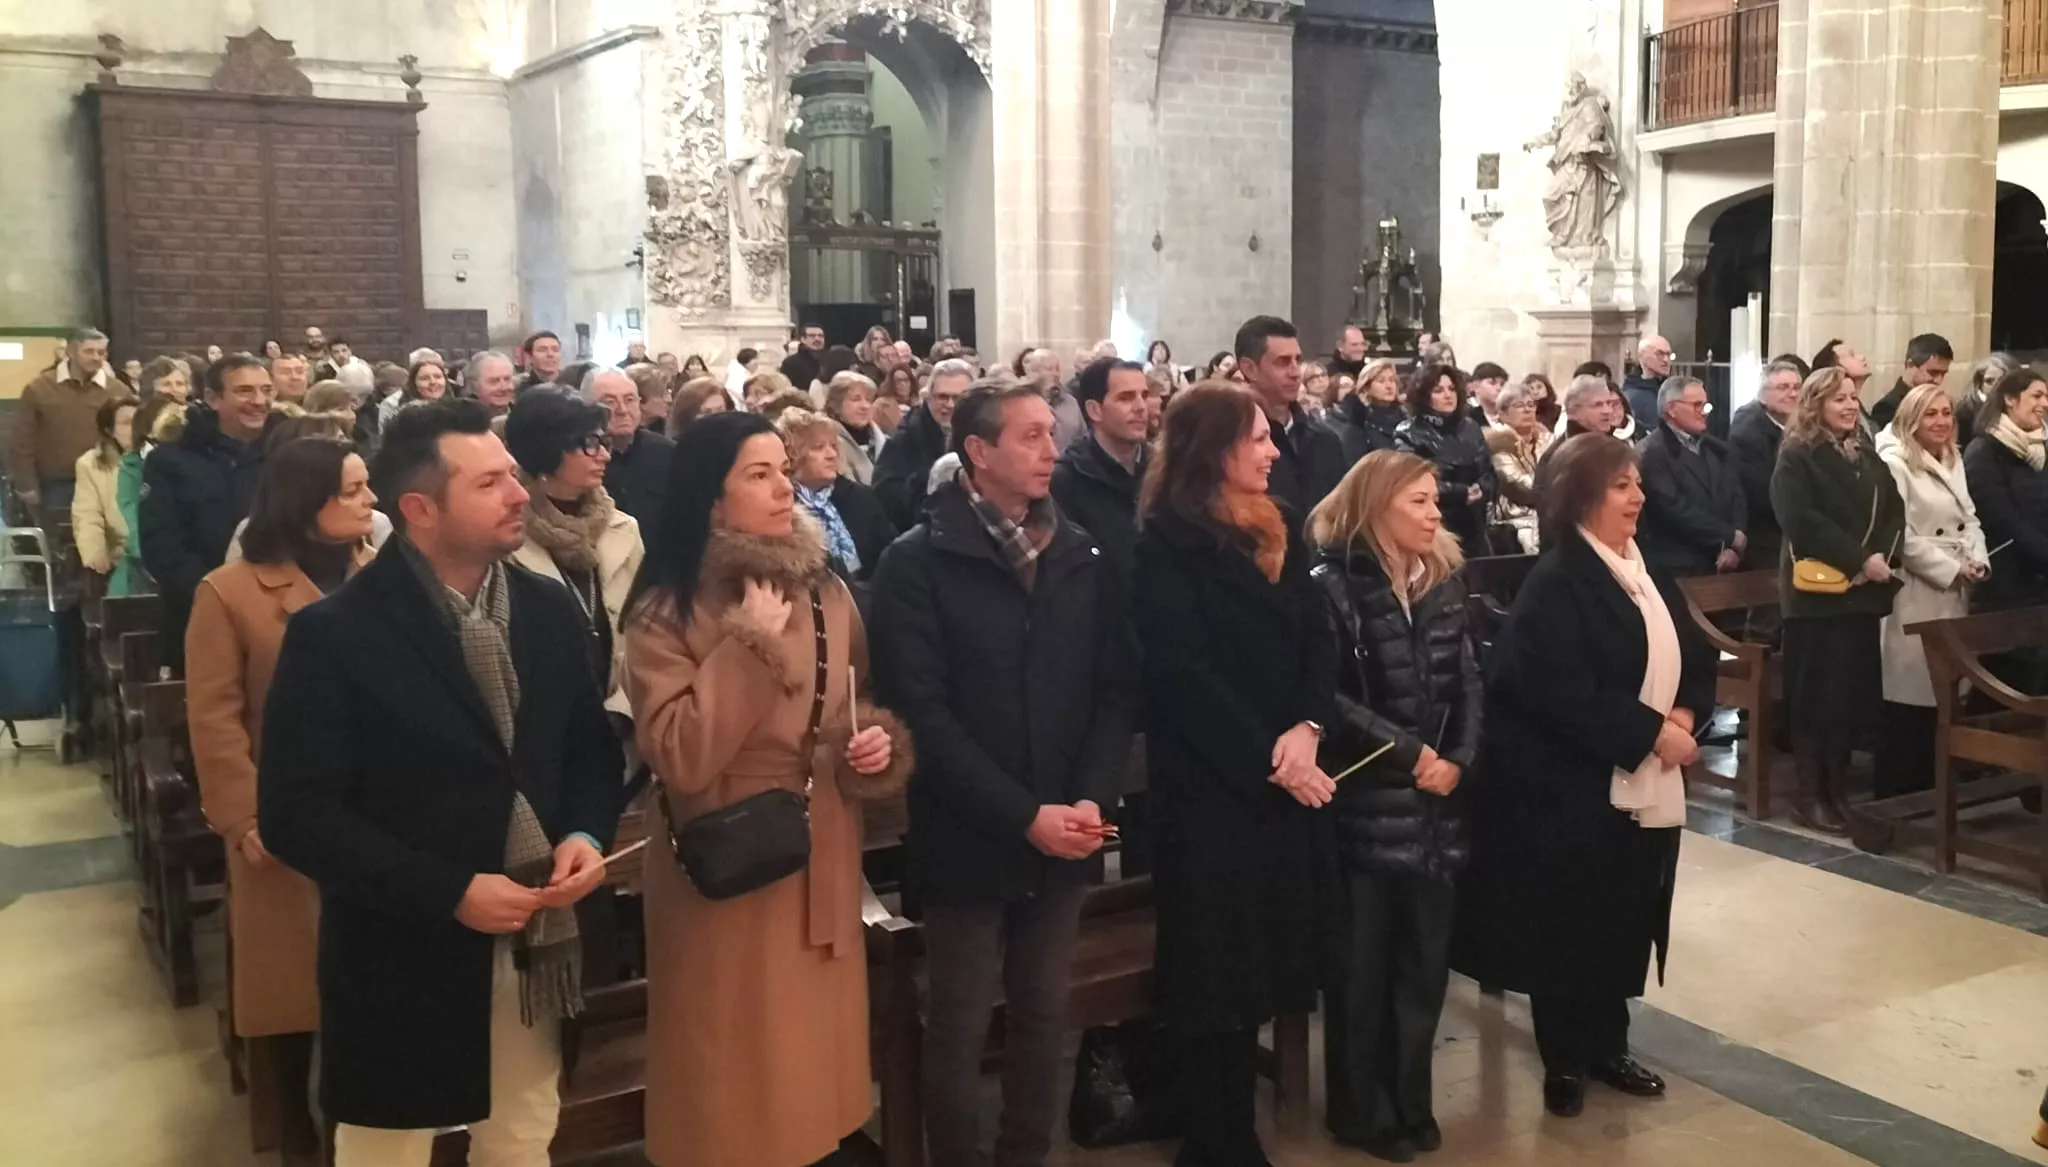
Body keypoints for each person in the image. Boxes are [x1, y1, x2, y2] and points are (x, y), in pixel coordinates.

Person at [258, 400, 623, 1165]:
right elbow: (299, 814)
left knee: (522, 1136)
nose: (521, 494)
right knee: (388, 1147)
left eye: (514, 476)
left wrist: (586, 834)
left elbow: (589, 751)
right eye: (491, 482)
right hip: (403, 951)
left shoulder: (545, 607)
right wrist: (450, 888)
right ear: (420, 509)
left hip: (535, 941)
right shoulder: (337, 634)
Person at [622, 410, 911, 1167]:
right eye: (759, 473)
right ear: (712, 501)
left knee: (813, 1069)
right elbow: (681, 755)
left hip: (821, 847)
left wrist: (872, 747)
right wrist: (747, 644)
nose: (785, 485)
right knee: (734, 1072)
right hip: (728, 859)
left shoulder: (827, 592)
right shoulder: (667, 610)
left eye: (784, 468)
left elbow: (850, 706)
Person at [869, 382, 1131, 1167]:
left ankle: (1025, 1155)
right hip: (968, 830)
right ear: (978, 453)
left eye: (1052, 434)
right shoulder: (917, 562)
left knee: (1045, 1012)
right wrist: (1024, 814)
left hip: (1065, 820)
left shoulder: (1078, 552)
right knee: (957, 1019)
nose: (1052, 449)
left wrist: (1089, 793)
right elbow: (922, 712)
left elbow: (1113, 685)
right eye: (1030, 437)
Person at [1452, 433, 1714, 1120]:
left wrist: (1685, 706)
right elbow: (1550, 689)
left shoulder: (1638, 565)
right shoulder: (1560, 580)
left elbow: (1690, 647)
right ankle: (1566, 1055)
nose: (1639, 496)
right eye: (1622, 485)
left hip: (1634, 780)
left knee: (1622, 912)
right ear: (1582, 499)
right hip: (1570, 787)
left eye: (1636, 483)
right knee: (1569, 923)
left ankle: (1610, 1044)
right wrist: (1651, 731)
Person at [1132, 384, 1337, 1167]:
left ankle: (1236, 1127)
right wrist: (1271, 757)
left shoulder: (1279, 526)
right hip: (1212, 790)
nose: (1273, 450)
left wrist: (1308, 729)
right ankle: (1214, 1138)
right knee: (1213, 970)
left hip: (1282, 772)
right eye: (1257, 438)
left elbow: (1321, 639)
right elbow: (1183, 677)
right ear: (1215, 449)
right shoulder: (1166, 544)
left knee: (1261, 961)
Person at [187, 435, 378, 1140]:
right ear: (308, 503)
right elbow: (214, 718)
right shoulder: (231, 592)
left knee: (368, 988)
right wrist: (243, 817)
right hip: (282, 822)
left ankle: (365, 1127)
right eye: (354, 489)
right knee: (292, 997)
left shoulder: (379, 575)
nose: (370, 501)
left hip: (377, 812)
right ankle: (293, 1134)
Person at [1307, 450, 1480, 1161]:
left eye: (1435, 499)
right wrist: (1411, 754)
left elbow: (1469, 678)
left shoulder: (1441, 581)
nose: (1435, 512)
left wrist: (1461, 761)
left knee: (1422, 967)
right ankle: (1361, 1110)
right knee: (1362, 971)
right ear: (1377, 505)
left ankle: (1410, 1100)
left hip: (1436, 806)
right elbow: (1327, 696)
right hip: (1368, 801)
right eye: (1418, 501)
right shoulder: (1332, 586)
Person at [1771, 367, 1905, 834]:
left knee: (1847, 700)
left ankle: (1839, 795)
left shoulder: (1865, 455)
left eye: (1853, 397)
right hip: (1817, 598)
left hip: (1861, 597)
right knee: (1817, 700)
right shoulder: (1797, 455)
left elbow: (1893, 509)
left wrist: (1881, 557)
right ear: (1816, 405)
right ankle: (1810, 797)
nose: (1850, 405)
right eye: (1839, 399)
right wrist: (1856, 559)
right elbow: (1800, 520)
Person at [1873, 383, 1988, 798]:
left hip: (1954, 586)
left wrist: (1977, 559)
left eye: (1946, 413)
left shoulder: (1953, 456)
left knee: (1944, 687)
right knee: (1910, 687)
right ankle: (1898, 789)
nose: (1940, 422)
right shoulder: (1896, 462)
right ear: (1911, 418)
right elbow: (1899, 533)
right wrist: (1949, 568)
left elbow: (1969, 517)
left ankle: (1934, 783)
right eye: (1930, 414)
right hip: (1917, 588)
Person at [504, 391, 645, 718]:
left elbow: (647, 633)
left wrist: (622, 711)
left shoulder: (623, 529)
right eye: (590, 443)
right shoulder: (506, 536)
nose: (604, 456)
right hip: (543, 726)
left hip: (622, 723)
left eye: (604, 442)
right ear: (548, 449)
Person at [142, 354, 280, 672]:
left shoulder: (286, 450)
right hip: (200, 616)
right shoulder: (171, 460)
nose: (259, 401)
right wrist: (222, 597)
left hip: (280, 616)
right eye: (245, 391)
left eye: (266, 390)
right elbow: (161, 548)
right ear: (213, 398)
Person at [1236, 315, 1349, 520]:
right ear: (1249, 368)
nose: (1296, 372)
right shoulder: (1234, 444)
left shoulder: (1325, 440)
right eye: (1283, 362)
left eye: (1297, 360)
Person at [1636, 375, 1746, 577]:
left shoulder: (1716, 449)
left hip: (1723, 561)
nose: (1704, 412)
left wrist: (1735, 546)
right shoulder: (1653, 453)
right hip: (1679, 564)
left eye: (1705, 405)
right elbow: (1672, 509)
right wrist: (1728, 536)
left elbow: (1737, 496)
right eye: (1696, 405)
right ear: (1671, 409)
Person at [1051, 359, 1150, 584]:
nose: (1141, 407)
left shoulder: (1162, 469)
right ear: (1094, 410)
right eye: (1126, 398)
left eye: (1144, 395)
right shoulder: (1066, 480)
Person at [777, 407, 896, 583]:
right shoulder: (781, 506)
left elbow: (890, 555)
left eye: (833, 446)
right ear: (792, 454)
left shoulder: (860, 497)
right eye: (818, 448)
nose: (831, 455)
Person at [1964, 367, 2048, 609]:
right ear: (2010, 399)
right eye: (2036, 395)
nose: (2044, 403)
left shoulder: (2041, 449)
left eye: (2046, 396)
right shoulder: (1984, 451)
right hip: (2005, 583)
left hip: (2039, 579)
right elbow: (2001, 521)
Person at [12, 327, 116, 519]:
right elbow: (22, 439)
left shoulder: (116, 390)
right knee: (60, 542)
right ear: (71, 352)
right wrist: (25, 483)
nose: (96, 357)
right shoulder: (39, 388)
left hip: (103, 481)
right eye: (89, 351)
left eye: (101, 352)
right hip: (55, 483)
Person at [1395, 364, 1495, 553]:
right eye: (1438, 391)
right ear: (1424, 396)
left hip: (1475, 523)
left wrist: (1482, 489)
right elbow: (1413, 483)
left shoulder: (1471, 427)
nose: (1448, 395)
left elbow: (1488, 470)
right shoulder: (1408, 432)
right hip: (1435, 524)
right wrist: (1462, 493)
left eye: (1451, 389)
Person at [874, 358, 972, 529]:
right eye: (942, 396)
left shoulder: (984, 434)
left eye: (958, 398)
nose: (949, 405)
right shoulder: (906, 438)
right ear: (928, 397)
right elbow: (885, 494)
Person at [585, 369, 675, 545]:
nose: (623, 410)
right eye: (609, 401)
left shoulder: (668, 453)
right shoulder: (579, 457)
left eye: (630, 399)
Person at [1729, 358, 1802, 572]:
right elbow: (1763, 494)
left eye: (1797, 387)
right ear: (1762, 395)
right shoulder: (1748, 434)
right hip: (1766, 540)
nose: (1792, 394)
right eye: (1783, 388)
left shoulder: (1800, 427)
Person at [72, 398, 138, 590]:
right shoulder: (90, 464)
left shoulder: (158, 457)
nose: (135, 428)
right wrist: (95, 552)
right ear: (110, 431)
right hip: (121, 555)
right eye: (126, 423)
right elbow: (87, 515)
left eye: (139, 421)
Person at [1486, 381, 1551, 554]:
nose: (1528, 410)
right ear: (1503, 413)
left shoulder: (1547, 440)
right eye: (1519, 405)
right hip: (1513, 523)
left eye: (1531, 404)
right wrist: (1561, 489)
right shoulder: (1497, 445)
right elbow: (1522, 487)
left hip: (1545, 514)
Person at [1327, 357, 1406, 467]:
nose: (1389, 386)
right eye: (1381, 381)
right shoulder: (1358, 422)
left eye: (1392, 380)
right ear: (1366, 388)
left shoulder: (1405, 419)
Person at [1868, 332, 1954, 430]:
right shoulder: (1887, 407)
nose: (1938, 381)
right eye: (1933, 372)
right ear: (1910, 365)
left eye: (1943, 374)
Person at [827, 372, 887, 486]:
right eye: (856, 399)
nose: (865, 406)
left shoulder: (884, 440)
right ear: (836, 405)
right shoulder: (829, 443)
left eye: (869, 400)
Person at [1955, 351, 2018, 450]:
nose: (1995, 386)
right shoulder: (1965, 411)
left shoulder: (2018, 408)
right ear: (1980, 383)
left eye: (2002, 380)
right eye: (1989, 381)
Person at [380, 358, 448, 428]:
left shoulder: (456, 408)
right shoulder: (393, 405)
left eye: (438, 377)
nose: (433, 382)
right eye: (424, 378)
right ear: (413, 383)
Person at [1621, 335, 1672, 423]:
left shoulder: (1672, 390)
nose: (1666, 360)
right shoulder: (1631, 396)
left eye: (1668, 354)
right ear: (1642, 356)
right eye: (1660, 354)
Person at [874, 365, 920, 436]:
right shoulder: (880, 405)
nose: (902, 384)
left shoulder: (920, 405)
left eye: (906, 380)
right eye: (898, 381)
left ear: (912, 382)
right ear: (892, 383)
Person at [1466, 361, 1510, 428]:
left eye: (1502, 384)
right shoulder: (1469, 420)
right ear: (1476, 386)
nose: (1499, 388)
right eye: (1492, 383)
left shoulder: (1513, 414)